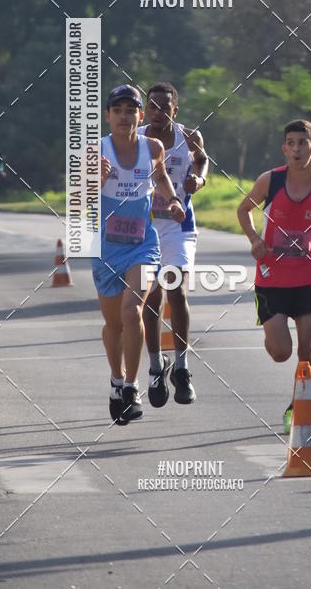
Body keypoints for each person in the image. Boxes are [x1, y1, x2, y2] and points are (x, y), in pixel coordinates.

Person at [237, 119, 311, 433]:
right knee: (280, 352)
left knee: (306, 349)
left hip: (309, 277)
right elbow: (243, 210)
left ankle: (298, 406)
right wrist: (254, 239)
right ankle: (271, 333)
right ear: (284, 148)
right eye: (291, 143)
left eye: (303, 143)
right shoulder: (269, 181)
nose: (297, 149)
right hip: (271, 278)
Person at [94, 85, 185, 425]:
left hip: (143, 244)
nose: (124, 116)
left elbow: (160, 178)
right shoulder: (96, 151)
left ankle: (132, 388)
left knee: (132, 312)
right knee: (114, 325)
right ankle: (116, 380)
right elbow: (77, 201)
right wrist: (96, 181)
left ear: (140, 116)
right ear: (108, 116)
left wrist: (172, 200)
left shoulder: (153, 147)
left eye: (130, 110)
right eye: (117, 110)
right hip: (105, 247)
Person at [139, 82, 208, 407]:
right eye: (152, 106)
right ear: (145, 110)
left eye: (164, 107)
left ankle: (181, 368)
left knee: (176, 290)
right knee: (152, 297)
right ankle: (156, 367)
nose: (158, 112)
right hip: (144, 229)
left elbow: (202, 159)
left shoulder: (189, 136)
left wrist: (199, 178)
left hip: (179, 226)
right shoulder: (136, 138)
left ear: (174, 110)